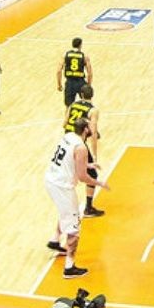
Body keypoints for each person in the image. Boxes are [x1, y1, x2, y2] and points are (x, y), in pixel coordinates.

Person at [43, 116, 110, 279]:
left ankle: (55, 240)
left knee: (66, 212)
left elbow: (67, 158)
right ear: (86, 130)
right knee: (74, 227)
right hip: (62, 186)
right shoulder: (81, 147)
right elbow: (82, 177)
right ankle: (69, 267)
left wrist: (86, 164)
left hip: (50, 179)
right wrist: (99, 182)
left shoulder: (68, 137)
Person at [64, 84, 104, 217]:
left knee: (70, 175)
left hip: (66, 140)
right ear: (92, 95)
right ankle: (88, 208)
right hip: (78, 143)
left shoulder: (72, 105)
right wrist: (95, 155)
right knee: (92, 175)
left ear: (80, 95)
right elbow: (93, 134)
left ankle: (68, 207)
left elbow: (64, 124)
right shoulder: (93, 110)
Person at [56, 37, 92, 106]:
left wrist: (59, 84)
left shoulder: (65, 55)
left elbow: (58, 71)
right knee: (87, 104)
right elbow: (89, 73)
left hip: (70, 82)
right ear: (80, 45)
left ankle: (68, 116)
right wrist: (89, 85)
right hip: (81, 82)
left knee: (68, 106)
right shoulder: (84, 56)